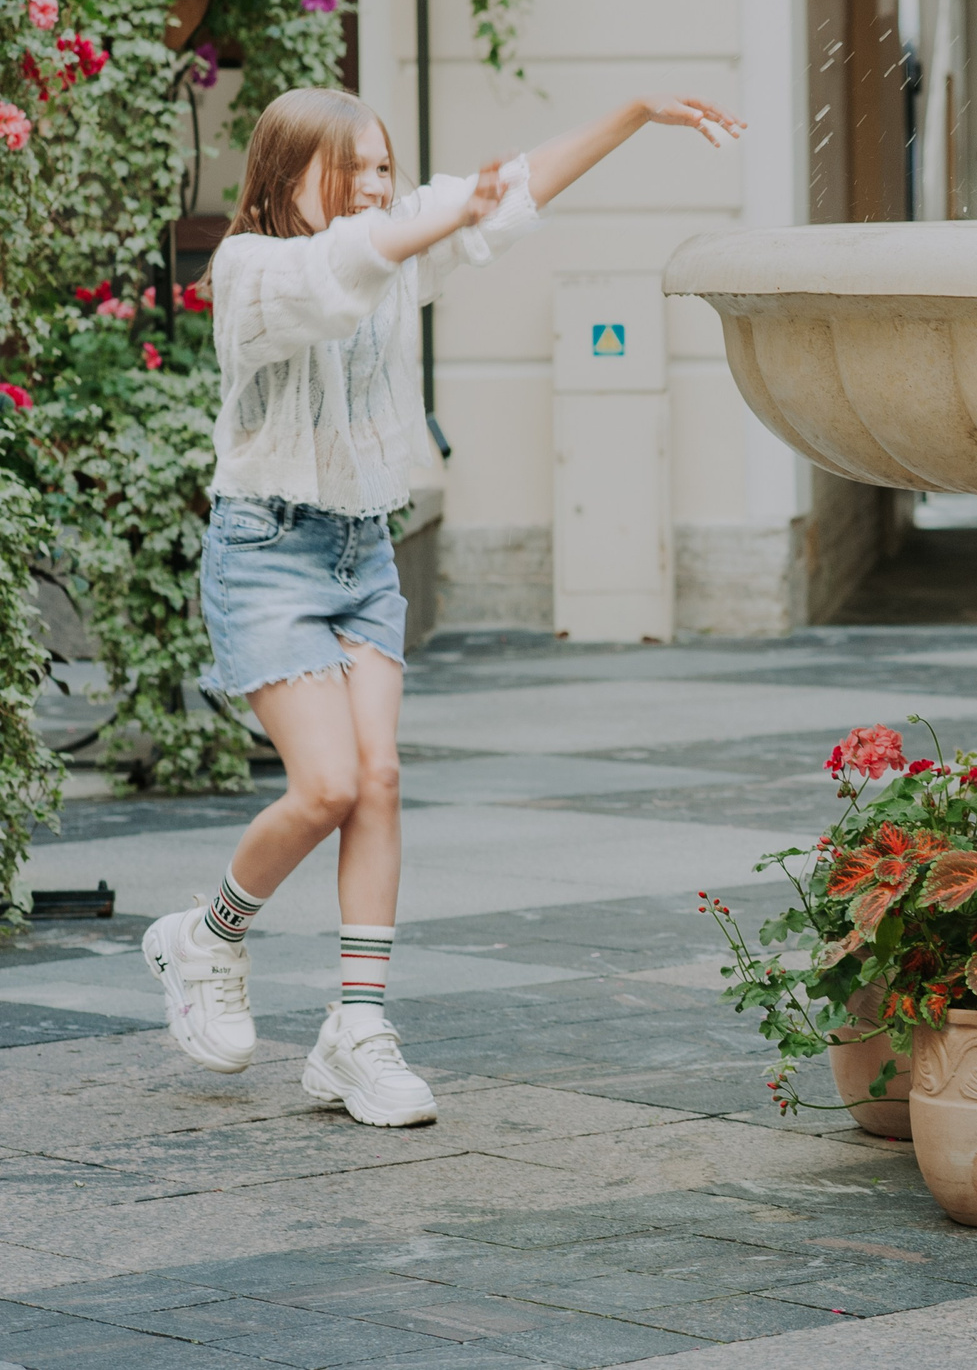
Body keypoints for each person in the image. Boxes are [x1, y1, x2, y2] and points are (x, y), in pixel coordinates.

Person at [143, 87, 745, 1126]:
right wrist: (444, 207)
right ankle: (208, 935)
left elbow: (512, 191)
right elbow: (337, 279)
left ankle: (356, 1032)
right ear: (287, 175)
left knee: (377, 779)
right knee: (325, 785)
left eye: (385, 169)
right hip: (268, 555)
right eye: (354, 170)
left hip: (362, 552)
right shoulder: (249, 271)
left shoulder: (399, 245)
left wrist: (632, 114)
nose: (376, 188)